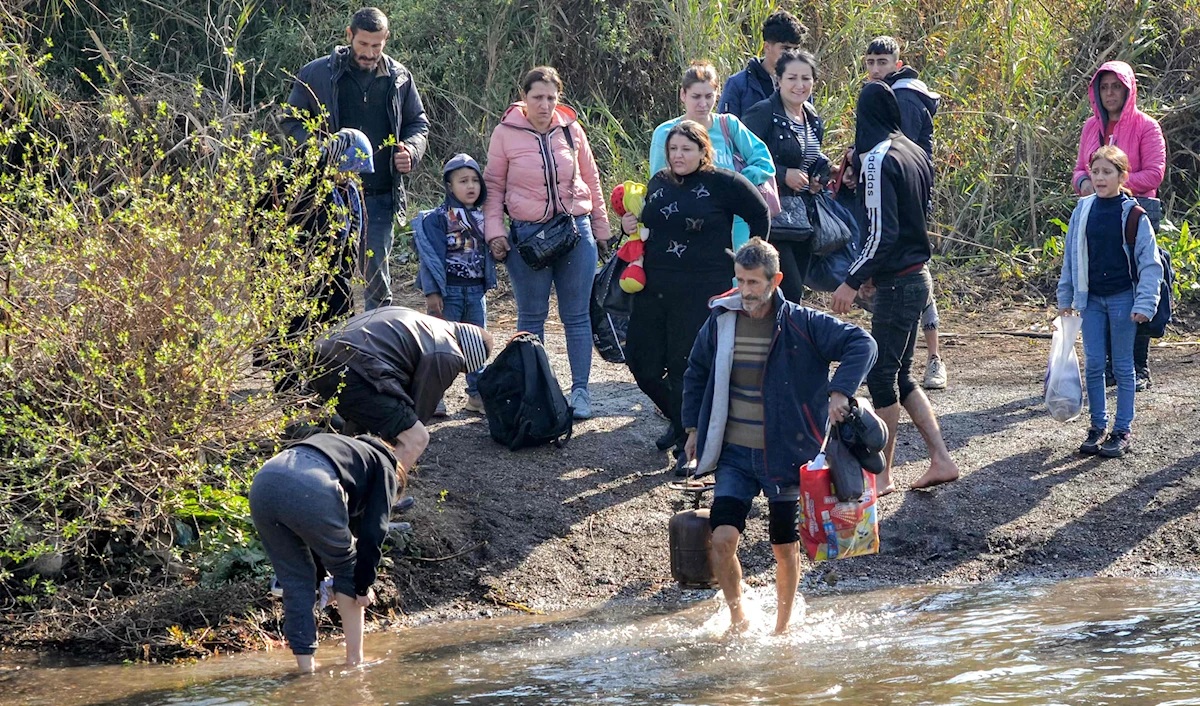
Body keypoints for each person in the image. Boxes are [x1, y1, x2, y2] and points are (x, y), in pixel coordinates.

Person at [682, 239, 876, 634]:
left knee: (784, 548)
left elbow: (862, 343)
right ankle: (738, 619)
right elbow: (696, 372)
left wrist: (840, 391)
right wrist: (692, 428)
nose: (745, 292)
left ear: (776, 280)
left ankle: (781, 630)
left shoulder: (804, 324)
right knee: (721, 540)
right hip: (735, 454)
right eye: (739, 281)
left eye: (753, 283)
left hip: (788, 455)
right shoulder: (721, 320)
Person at [830, 81, 960, 493]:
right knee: (900, 374)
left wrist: (853, 278)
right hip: (917, 276)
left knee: (882, 376)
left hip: (899, 282)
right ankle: (940, 458)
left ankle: (881, 475)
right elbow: (916, 216)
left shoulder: (878, 159)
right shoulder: (915, 151)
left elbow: (881, 232)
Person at [623, 120, 770, 474]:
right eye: (673, 149)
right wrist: (629, 225)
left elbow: (760, 214)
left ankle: (694, 442)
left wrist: (748, 261)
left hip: (702, 290)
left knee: (683, 366)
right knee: (640, 362)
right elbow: (643, 225)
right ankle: (680, 420)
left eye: (686, 149)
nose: (677, 155)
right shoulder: (659, 182)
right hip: (654, 287)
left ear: (704, 151)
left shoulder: (724, 182)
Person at [281, 6, 430, 311]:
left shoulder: (399, 77)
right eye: (363, 44)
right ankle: (333, 346)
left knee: (376, 277)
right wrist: (323, 150)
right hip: (328, 195)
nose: (369, 53)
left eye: (377, 45)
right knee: (328, 274)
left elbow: (418, 123)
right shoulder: (316, 73)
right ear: (349, 36)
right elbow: (291, 121)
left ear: (386, 40)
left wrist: (412, 152)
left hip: (378, 194)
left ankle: (378, 347)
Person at [483, 66, 611, 419]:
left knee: (577, 315)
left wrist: (601, 229)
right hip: (527, 237)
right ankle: (539, 394)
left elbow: (591, 178)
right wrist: (494, 232)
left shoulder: (571, 130)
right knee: (531, 317)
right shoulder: (505, 133)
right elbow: (493, 187)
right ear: (524, 97)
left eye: (551, 98)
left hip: (575, 231)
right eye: (537, 97)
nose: (545, 105)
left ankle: (580, 392)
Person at [1058, 146, 1163, 458]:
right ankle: (1097, 425)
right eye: (1096, 171)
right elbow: (1071, 257)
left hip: (1122, 299)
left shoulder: (1134, 215)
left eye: (1107, 172)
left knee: (1122, 366)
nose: (1100, 178)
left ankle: (1122, 429)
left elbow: (1150, 264)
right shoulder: (1083, 210)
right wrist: (1066, 297)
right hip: (1090, 299)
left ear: (1122, 176)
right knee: (1093, 364)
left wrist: (1145, 304)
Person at [1071, 61, 1167, 392]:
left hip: (1137, 214)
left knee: (1135, 286)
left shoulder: (1146, 126)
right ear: (1097, 92)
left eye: (1116, 86)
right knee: (1100, 283)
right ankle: (1110, 364)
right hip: (1097, 213)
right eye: (1105, 87)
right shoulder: (1089, 128)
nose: (1110, 93)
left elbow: (1154, 174)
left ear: (1129, 89)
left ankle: (1138, 365)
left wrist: (1116, 188)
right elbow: (1080, 171)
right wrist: (1086, 183)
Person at [309, 306, 493, 473]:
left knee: (369, 420)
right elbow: (418, 409)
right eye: (460, 370)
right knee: (416, 437)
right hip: (353, 367)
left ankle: (348, 476)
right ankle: (384, 495)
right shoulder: (448, 353)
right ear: (467, 358)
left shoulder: (423, 321)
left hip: (321, 354)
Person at [863, 35, 947, 390]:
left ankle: (935, 358)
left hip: (908, 201)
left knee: (914, 278)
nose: (876, 69)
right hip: (897, 198)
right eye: (871, 62)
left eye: (883, 62)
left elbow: (898, 153)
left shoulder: (907, 97)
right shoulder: (883, 94)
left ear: (898, 64)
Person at [649, 62, 775, 256]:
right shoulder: (665, 133)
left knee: (737, 280)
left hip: (735, 225)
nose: (703, 104)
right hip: (685, 227)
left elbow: (764, 161)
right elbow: (658, 183)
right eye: (696, 96)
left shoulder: (728, 125)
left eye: (709, 96)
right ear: (683, 95)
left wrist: (738, 185)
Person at [742, 49, 830, 304]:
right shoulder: (763, 112)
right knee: (786, 289)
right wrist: (781, 175)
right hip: (771, 218)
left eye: (806, 78)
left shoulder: (812, 117)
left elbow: (811, 157)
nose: (799, 85)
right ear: (778, 79)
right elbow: (740, 159)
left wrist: (818, 176)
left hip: (803, 219)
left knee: (794, 293)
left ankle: (785, 340)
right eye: (792, 78)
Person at [414, 153, 494, 415]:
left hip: (475, 292)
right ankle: (434, 397)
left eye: (475, 180)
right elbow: (429, 258)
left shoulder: (485, 217)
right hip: (448, 292)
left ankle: (476, 395)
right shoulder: (438, 217)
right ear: (449, 186)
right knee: (440, 345)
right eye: (463, 181)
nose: (470, 186)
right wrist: (432, 291)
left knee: (476, 346)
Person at [719, 10, 807, 118]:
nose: (792, 55)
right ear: (767, 47)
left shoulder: (801, 84)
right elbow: (725, 129)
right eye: (786, 49)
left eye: (796, 49)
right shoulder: (739, 84)